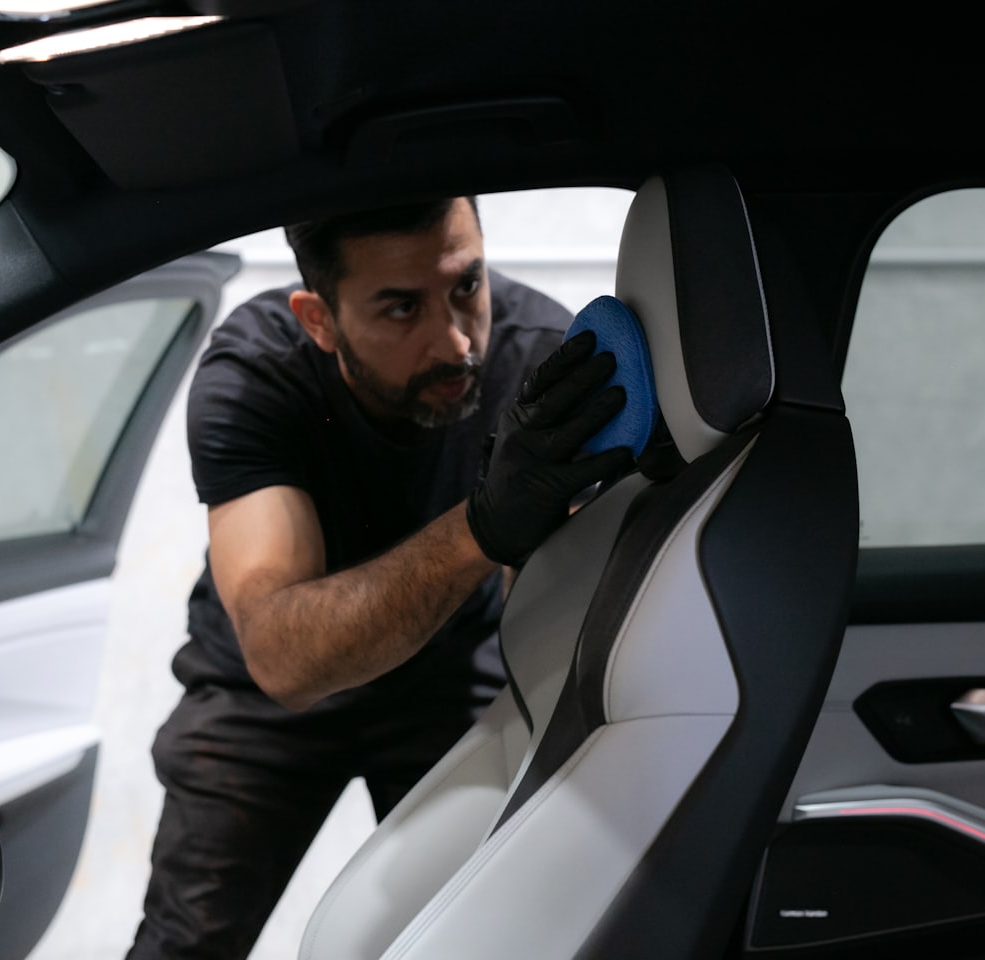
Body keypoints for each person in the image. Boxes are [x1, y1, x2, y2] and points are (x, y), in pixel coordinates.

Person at [127, 197, 630, 959]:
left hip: (452, 681)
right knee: (185, 946)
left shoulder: (539, 360)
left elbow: (556, 618)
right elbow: (282, 659)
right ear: (319, 320)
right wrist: (482, 526)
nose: (455, 341)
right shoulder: (257, 372)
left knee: (463, 940)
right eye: (401, 308)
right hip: (263, 701)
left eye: (466, 286)